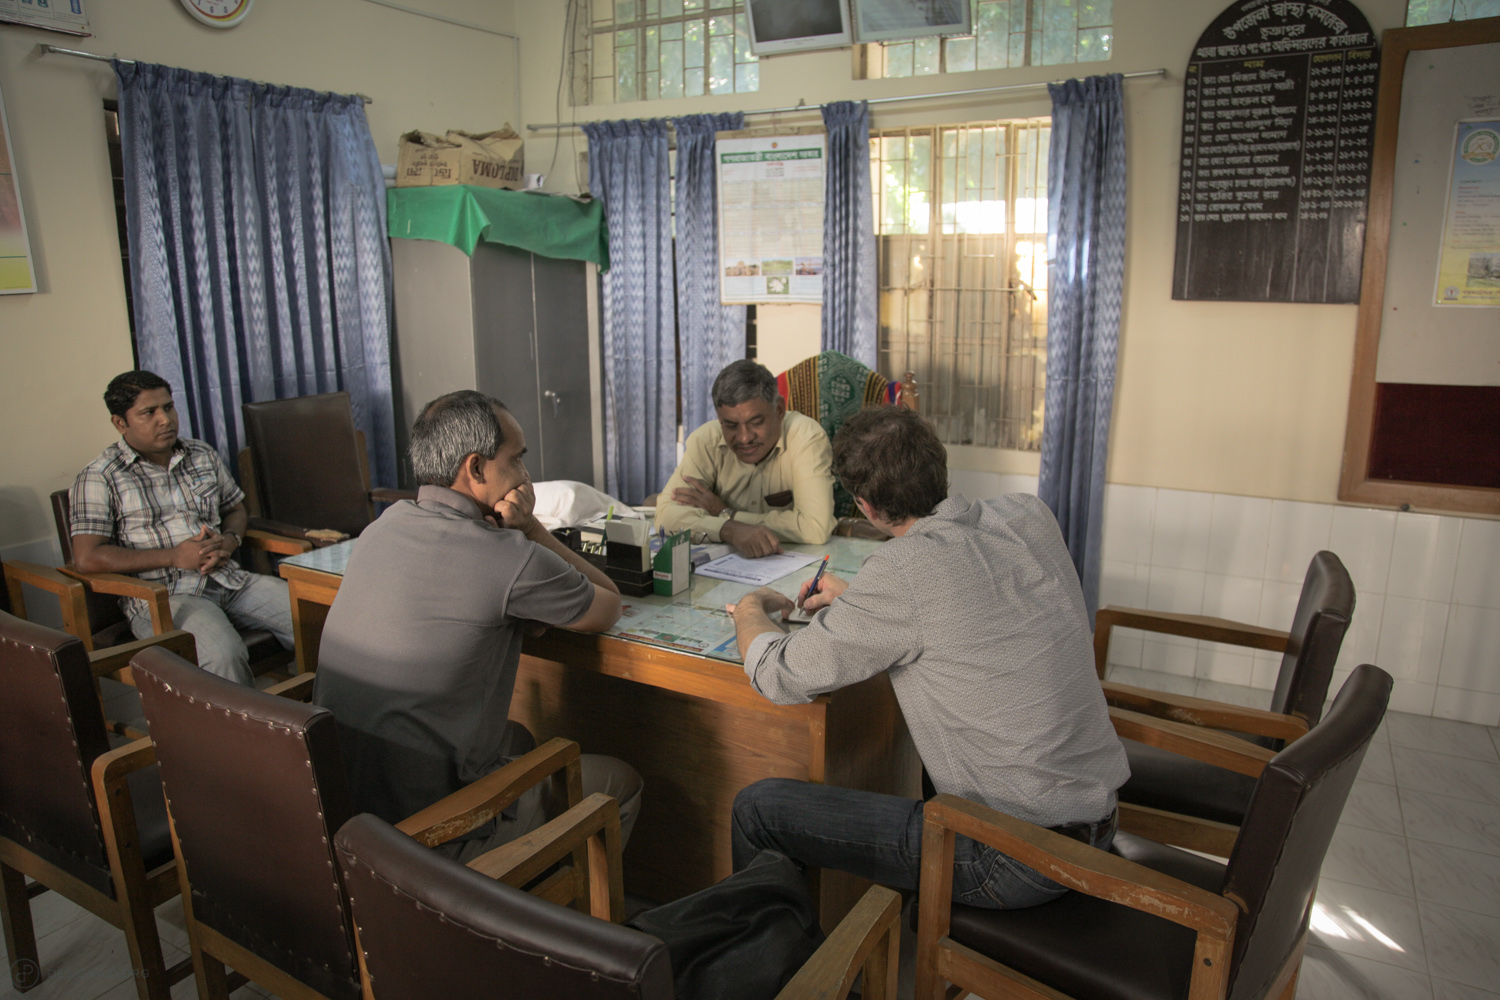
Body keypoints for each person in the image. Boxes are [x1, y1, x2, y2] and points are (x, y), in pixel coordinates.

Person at [724, 405, 1129, 909]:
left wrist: (749, 607)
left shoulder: (904, 571)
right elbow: (979, 605)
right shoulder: (1029, 514)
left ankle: (802, 976)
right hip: (1097, 819)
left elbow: (778, 674)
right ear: (939, 466)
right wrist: (861, 602)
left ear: (866, 506)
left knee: (757, 809)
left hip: (1013, 860)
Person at [312, 390, 642, 861]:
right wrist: (531, 529)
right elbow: (608, 604)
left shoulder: (381, 528)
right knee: (618, 784)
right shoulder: (507, 556)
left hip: (351, 810)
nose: (526, 476)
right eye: (518, 459)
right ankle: (551, 926)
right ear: (475, 468)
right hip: (431, 834)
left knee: (520, 738)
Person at [69, 370, 294, 685]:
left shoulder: (200, 454)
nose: (166, 419)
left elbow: (235, 508)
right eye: (149, 412)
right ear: (121, 423)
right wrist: (173, 556)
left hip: (228, 578)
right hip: (165, 597)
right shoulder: (100, 477)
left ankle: (337, 718)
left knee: (326, 619)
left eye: (168, 407)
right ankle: (246, 733)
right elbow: (87, 558)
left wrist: (229, 540)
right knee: (223, 655)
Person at [655, 359, 835, 557]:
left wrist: (727, 514)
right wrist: (728, 529)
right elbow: (666, 517)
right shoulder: (706, 441)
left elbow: (815, 527)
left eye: (756, 422)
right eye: (731, 425)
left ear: (779, 410)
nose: (744, 438)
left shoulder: (806, 437)